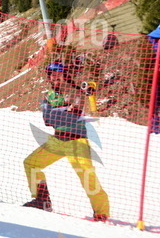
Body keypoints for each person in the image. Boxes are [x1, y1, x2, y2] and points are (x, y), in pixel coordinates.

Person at [23, 62, 110, 221]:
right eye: (52, 74)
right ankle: (42, 200)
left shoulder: (74, 91)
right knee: (31, 163)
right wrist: (64, 110)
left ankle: (101, 212)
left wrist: (60, 111)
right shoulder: (49, 95)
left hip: (77, 141)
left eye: (58, 73)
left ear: (65, 75)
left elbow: (73, 116)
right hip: (58, 139)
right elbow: (48, 120)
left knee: (87, 176)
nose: (55, 77)